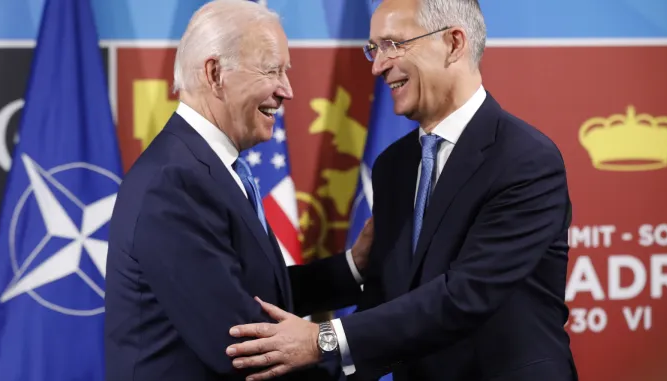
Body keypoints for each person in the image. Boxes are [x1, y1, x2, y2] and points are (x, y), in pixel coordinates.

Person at [224, 0, 578, 380]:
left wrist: (321, 339)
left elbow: (465, 295)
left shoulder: (524, 159)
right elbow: (386, 302)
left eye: (393, 44)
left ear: (454, 43)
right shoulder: (394, 165)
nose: (377, 65)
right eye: (374, 48)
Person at [104, 1, 372, 380]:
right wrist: (374, 350)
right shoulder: (174, 182)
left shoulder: (205, 167)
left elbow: (256, 293)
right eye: (272, 70)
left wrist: (353, 267)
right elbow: (243, 346)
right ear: (215, 74)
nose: (288, 91)